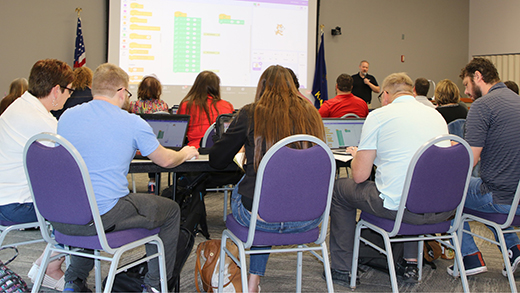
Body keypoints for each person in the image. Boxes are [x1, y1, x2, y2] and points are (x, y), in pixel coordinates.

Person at [57, 63, 199, 292]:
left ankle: (73, 281)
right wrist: (186, 152)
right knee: (171, 210)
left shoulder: (66, 117)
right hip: (103, 216)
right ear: (122, 91)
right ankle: (155, 286)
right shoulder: (132, 122)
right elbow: (166, 161)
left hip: (63, 215)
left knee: (87, 205)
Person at [328, 72, 452, 286]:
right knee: (413, 184)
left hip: (400, 209)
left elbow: (359, 176)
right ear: (412, 92)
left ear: (385, 95)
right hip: (442, 209)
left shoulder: (379, 116)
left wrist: (357, 156)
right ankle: (410, 262)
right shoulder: (436, 115)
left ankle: (342, 268)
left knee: (340, 188)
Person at [209, 65, 325, 293]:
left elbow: (217, 160)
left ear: (262, 86)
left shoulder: (251, 112)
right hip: (309, 218)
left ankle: (247, 280)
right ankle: (254, 281)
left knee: (254, 188)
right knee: (274, 191)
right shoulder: (312, 114)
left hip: (261, 217)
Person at [0, 59, 74, 291]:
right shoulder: (41, 121)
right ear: (56, 90)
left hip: (5, 198)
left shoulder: (19, 106)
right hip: (14, 205)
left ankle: (48, 265)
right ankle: (49, 267)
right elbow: (68, 164)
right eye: (69, 91)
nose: (69, 96)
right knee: (84, 210)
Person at [447, 58, 520, 277]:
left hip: (499, 199)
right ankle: (515, 250)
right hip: (516, 197)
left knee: (448, 190)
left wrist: (449, 154)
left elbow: (471, 159)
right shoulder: (516, 100)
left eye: (467, 85)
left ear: (478, 76)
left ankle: (469, 257)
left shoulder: (482, 105)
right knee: (478, 187)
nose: (467, 92)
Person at [129, 75, 169, 193]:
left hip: (138, 146)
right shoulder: (163, 105)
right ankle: (153, 180)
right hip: (158, 144)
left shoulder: (134, 106)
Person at [177, 71, 234, 148]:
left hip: (195, 152)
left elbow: (178, 134)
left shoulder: (187, 105)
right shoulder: (227, 106)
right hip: (221, 151)